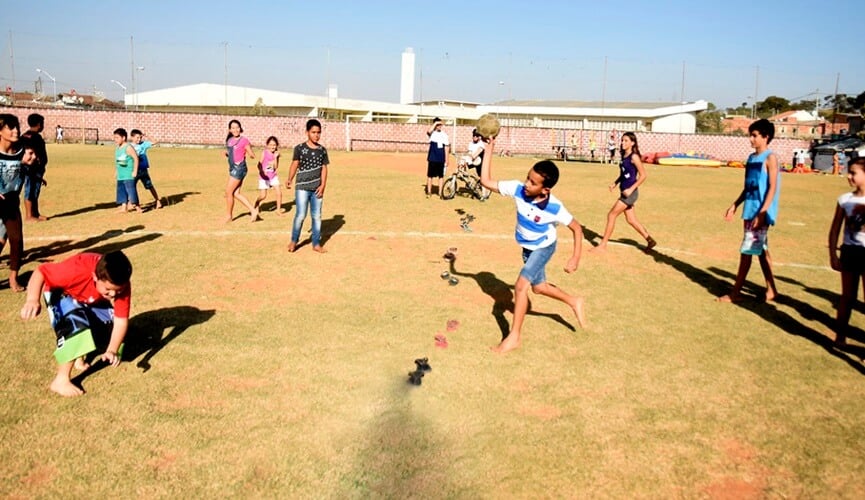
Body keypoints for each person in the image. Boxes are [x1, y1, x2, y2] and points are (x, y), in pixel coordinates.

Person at [478, 137, 586, 354]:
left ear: (545, 190)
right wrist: (489, 149)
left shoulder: (554, 207)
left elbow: (577, 228)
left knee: (521, 286)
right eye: (528, 178)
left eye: (533, 183)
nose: (527, 184)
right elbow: (486, 181)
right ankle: (574, 301)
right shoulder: (518, 189)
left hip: (544, 248)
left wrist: (575, 257)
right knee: (538, 288)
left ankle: (514, 337)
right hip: (527, 247)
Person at [20, 251, 133, 397]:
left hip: (87, 298)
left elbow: (120, 320)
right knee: (77, 325)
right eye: (108, 290)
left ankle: (80, 357)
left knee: (110, 328)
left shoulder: (121, 283)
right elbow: (41, 271)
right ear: (95, 277)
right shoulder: (76, 269)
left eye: (118, 291)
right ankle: (60, 380)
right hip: (60, 293)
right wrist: (32, 299)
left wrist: (111, 349)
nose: (113, 295)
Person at [718, 118, 781, 303]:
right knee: (761, 250)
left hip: (761, 212)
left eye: (754, 136)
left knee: (747, 251)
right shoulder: (751, 158)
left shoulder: (771, 158)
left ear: (766, 137)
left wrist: (763, 212)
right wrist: (735, 205)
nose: (751, 139)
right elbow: (749, 186)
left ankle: (735, 293)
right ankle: (772, 290)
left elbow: (772, 187)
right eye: (750, 135)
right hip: (749, 209)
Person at [591, 132, 656, 253]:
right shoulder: (624, 156)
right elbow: (623, 174)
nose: (623, 143)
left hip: (630, 193)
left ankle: (603, 245)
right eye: (622, 140)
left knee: (611, 215)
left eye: (626, 141)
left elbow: (643, 175)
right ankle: (650, 240)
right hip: (624, 192)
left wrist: (631, 189)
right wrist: (615, 183)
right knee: (631, 220)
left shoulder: (634, 157)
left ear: (632, 143)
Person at [828, 151, 865, 347]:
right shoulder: (844, 200)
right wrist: (833, 254)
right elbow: (834, 229)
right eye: (848, 173)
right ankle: (840, 336)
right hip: (850, 252)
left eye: (853, 173)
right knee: (847, 297)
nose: (849, 177)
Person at [0, 114, 35, 292]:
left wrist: (31, 163)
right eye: (10, 127)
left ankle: (13, 278)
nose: (16, 131)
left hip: (10, 202)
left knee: (16, 240)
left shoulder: (21, 150)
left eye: (17, 127)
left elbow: (29, 162)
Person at [286, 119, 328, 253]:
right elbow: (295, 164)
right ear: (307, 132)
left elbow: (324, 169)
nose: (316, 135)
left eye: (318, 132)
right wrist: (289, 179)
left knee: (316, 216)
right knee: (300, 215)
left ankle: (316, 243)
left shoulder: (322, 150)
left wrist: (322, 186)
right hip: (302, 188)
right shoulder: (299, 148)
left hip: (317, 189)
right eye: (313, 132)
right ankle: (294, 240)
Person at [223, 119, 258, 223]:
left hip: (239, 168)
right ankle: (253, 210)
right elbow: (232, 153)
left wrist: (250, 153)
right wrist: (227, 154)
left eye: (237, 127)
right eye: (233, 128)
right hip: (233, 168)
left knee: (228, 192)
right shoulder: (229, 140)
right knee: (236, 193)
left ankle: (229, 216)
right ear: (229, 130)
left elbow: (251, 154)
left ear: (240, 128)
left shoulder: (244, 140)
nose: (235, 129)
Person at [20, 113, 48, 221]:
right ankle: (29, 215)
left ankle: (35, 213)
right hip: (31, 169)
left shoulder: (25, 135)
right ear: (39, 124)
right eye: (42, 123)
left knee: (35, 190)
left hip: (37, 169)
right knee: (30, 190)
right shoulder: (34, 137)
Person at [130, 129, 163, 209]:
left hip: (143, 170)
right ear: (132, 137)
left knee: (149, 185)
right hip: (133, 170)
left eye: (140, 137)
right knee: (131, 187)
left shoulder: (143, 144)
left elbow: (155, 141)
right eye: (137, 138)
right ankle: (131, 203)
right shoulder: (129, 147)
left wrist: (147, 136)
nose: (139, 139)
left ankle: (158, 200)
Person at [112, 128, 142, 213]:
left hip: (128, 174)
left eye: (117, 138)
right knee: (121, 191)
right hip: (121, 175)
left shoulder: (128, 147)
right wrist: (116, 171)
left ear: (123, 138)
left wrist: (135, 171)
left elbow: (136, 158)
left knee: (131, 190)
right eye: (114, 138)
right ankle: (123, 207)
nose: (115, 140)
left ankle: (138, 207)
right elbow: (117, 161)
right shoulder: (118, 148)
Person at [253, 136, 284, 215]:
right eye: (270, 145)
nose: (272, 147)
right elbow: (259, 164)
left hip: (273, 176)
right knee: (263, 196)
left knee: (279, 192)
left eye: (274, 145)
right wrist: (262, 171)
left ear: (276, 145)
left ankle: (278, 210)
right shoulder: (264, 152)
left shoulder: (276, 154)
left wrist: (275, 158)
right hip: (264, 177)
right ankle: (256, 203)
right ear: (267, 145)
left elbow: (276, 167)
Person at [425, 118, 450, 198]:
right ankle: (429, 192)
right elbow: (428, 131)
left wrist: (447, 159)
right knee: (430, 175)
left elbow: (446, 147)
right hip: (432, 158)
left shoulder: (444, 135)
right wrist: (435, 123)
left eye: (440, 125)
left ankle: (440, 192)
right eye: (437, 125)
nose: (439, 126)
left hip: (441, 158)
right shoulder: (432, 134)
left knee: (441, 176)